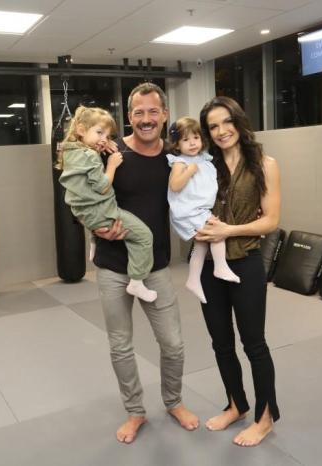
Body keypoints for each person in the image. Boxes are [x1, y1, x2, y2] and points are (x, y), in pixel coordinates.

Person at [93, 83, 199, 443]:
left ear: (165, 115)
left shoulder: (173, 158)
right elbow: (82, 197)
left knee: (173, 344)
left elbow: (195, 191)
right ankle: (135, 411)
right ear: (129, 116)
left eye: (153, 111)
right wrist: (95, 227)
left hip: (154, 267)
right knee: (121, 345)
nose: (146, 119)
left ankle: (174, 401)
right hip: (112, 266)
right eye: (139, 112)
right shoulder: (111, 153)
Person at [195, 96, 281, 447]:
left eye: (226, 122)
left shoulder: (265, 164)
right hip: (208, 265)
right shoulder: (204, 165)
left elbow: (271, 221)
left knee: (254, 344)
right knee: (220, 343)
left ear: (238, 121)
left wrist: (228, 231)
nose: (221, 131)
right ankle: (236, 405)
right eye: (213, 126)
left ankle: (265, 417)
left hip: (246, 262)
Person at [57, 106, 157, 302]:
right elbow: (102, 187)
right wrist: (111, 165)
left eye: (108, 135)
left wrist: (102, 142)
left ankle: (94, 243)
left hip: (86, 213)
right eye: (99, 132)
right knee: (144, 236)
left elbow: (87, 175)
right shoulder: (90, 156)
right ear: (81, 130)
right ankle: (137, 281)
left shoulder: (71, 151)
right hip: (102, 212)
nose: (104, 139)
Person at [165, 117, 240, 304]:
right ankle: (220, 266)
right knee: (216, 230)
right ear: (177, 144)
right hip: (189, 210)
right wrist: (189, 171)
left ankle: (193, 279)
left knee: (201, 245)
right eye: (186, 140)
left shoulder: (204, 159)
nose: (192, 143)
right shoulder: (180, 162)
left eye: (196, 138)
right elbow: (174, 185)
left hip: (200, 209)